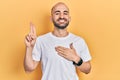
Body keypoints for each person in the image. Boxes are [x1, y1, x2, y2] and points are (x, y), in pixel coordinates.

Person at [24, 2, 92, 80]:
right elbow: (29, 69)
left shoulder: (79, 41)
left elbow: (88, 69)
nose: (62, 16)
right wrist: (29, 47)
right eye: (57, 13)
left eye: (65, 13)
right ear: (51, 18)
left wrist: (76, 58)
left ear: (69, 18)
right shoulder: (41, 40)